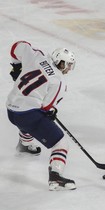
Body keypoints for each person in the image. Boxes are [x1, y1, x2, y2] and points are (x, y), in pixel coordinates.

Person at [6, 41, 76, 190]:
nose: (68, 69)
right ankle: (56, 176)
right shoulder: (59, 82)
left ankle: (24, 145)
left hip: (10, 110)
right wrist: (51, 112)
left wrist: (17, 67)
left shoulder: (37, 55)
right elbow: (46, 107)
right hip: (26, 116)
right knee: (61, 144)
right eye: (67, 65)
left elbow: (16, 46)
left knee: (29, 120)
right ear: (59, 61)